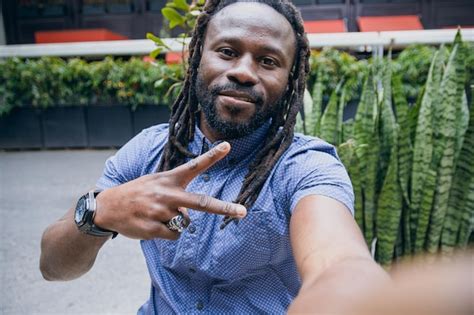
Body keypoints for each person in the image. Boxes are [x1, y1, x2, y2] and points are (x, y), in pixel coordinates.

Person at [40, 0, 389, 313]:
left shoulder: (306, 167)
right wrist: (102, 210)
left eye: (268, 61)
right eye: (227, 51)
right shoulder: (149, 152)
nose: (244, 72)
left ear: (290, 80)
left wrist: (354, 290)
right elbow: (52, 266)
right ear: (196, 57)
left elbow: (337, 259)